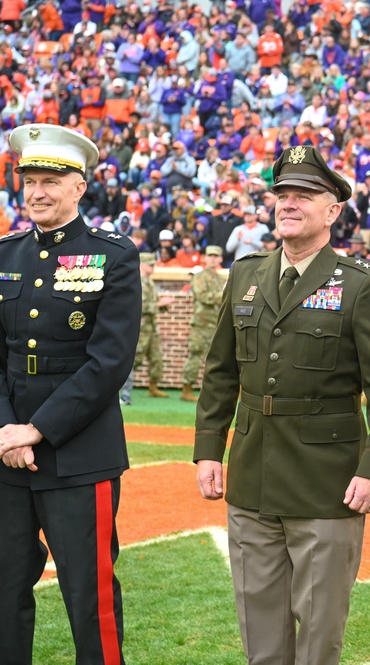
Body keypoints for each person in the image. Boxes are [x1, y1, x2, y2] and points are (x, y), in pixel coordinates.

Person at [193, 145, 370, 665]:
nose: (288, 204)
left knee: (318, 631)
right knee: (259, 624)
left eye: (304, 196)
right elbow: (221, 371)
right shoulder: (246, 275)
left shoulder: (361, 285)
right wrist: (207, 451)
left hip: (325, 481)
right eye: (282, 195)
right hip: (251, 475)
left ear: (332, 210)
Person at [0, 124, 141, 663]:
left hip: (80, 453)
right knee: (6, 588)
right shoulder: (7, 254)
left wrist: (36, 429)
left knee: (90, 597)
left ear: (79, 187)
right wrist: (8, 431)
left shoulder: (113, 256)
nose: (36, 192)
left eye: (50, 182)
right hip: (7, 452)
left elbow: (109, 362)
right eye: (29, 180)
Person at [123, 252, 174, 402]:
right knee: (133, 360)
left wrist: (164, 304)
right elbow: (138, 306)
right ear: (142, 264)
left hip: (151, 327)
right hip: (140, 327)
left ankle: (153, 387)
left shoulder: (149, 282)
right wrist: (160, 304)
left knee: (156, 358)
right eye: (150, 264)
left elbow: (152, 304)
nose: (153, 267)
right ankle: (122, 391)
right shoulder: (135, 280)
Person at [181, 245, 226, 402]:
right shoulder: (199, 276)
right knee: (196, 356)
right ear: (205, 258)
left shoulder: (221, 280)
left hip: (217, 325)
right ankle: (186, 388)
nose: (213, 259)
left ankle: (212, 391)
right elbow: (203, 296)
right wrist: (222, 296)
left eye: (216, 256)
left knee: (217, 359)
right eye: (210, 256)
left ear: (220, 259)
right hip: (201, 325)